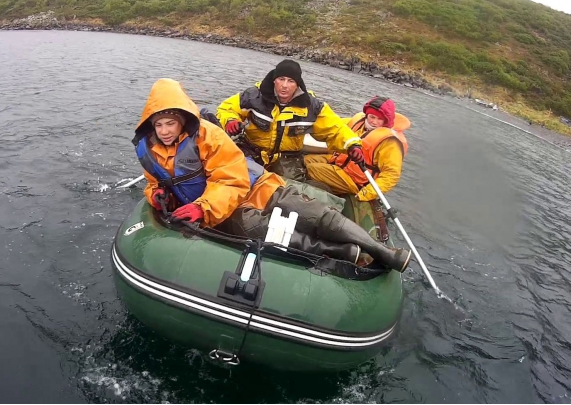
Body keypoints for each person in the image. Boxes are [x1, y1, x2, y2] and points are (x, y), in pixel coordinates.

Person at [133, 79, 411, 273]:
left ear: (183, 120)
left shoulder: (209, 136)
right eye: (159, 124)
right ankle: (341, 252)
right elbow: (154, 183)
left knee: (312, 213)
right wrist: (156, 194)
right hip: (222, 212)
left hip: (253, 186)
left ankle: (381, 251)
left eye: (171, 123)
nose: (165, 131)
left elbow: (230, 179)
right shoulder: (149, 151)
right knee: (264, 230)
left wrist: (202, 207)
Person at [216, 59, 364, 182]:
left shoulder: (312, 106)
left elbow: (335, 129)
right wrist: (230, 121)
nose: (285, 85)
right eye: (281, 79)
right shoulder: (253, 95)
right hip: (251, 150)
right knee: (233, 175)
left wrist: (352, 145)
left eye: (291, 81)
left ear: (297, 84)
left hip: (288, 159)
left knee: (290, 190)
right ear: (274, 80)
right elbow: (226, 108)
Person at [304, 96, 409, 202]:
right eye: (372, 117)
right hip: (339, 162)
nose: (374, 122)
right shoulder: (359, 121)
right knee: (305, 160)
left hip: (356, 181)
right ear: (367, 115)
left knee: (311, 169)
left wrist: (366, 193)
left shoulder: (390, 143)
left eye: (379, 119)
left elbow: (391, 175)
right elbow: (335, 125)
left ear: (386, 121)